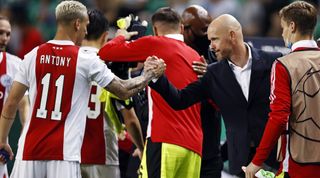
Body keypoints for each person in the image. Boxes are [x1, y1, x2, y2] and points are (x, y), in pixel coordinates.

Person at [0, 1, 165, 178]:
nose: (86, 31)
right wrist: (148, 75)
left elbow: (10, 104)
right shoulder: (85, 60)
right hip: (64, 155)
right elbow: (123, 90)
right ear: (77, 24)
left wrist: (2, 140)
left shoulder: (32, 55)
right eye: (86, 25)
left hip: (28, 152)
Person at [148, 14, 282, 177]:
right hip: (241, 163)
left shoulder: (274, 62)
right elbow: (180, 100)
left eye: (214, 39)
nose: (211, 46)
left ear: (232, 35)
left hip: (275, 158)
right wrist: (157, 77)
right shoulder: (213, 74)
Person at [99, 7, 203, 178]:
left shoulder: (154, 43)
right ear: (182, 28)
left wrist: (121, 36)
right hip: (194, 147)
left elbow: (105, 53)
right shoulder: (196, 56)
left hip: (165, 140)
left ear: (155, 30)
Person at [243, 1, 320, 178]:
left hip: (299, 160)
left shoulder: (283, 65)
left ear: (292, 26)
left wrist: (256, 161)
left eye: (283, 27)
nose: (282, 32)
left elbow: (279, 116)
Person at [79, 9, 144, 178]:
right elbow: (130, 119)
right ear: (105, 36)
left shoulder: (68, 61)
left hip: (68, 153)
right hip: (103, 155)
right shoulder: (113, 65)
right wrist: (142, 148)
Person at [182, 5, 223, 178]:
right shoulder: (173, 54)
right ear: (184, 29)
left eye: (208, 29)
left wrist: (211, 75)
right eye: (203, 30)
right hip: (182, 144)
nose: (206, 36)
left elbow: (230, 96)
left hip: (209, 147)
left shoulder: (216, 53)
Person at [0, 15, 29, 178]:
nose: (4, 38)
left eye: (8, 34)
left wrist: (25, 130)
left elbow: (24, 104)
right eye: (0, 33)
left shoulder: (15, 64)